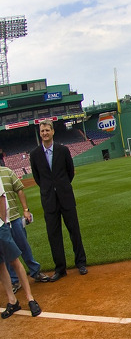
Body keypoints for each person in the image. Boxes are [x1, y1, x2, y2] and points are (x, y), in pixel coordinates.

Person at [29, 119, 87, 281]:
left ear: (53, 131)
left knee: (74, 231)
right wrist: (50, 189)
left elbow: (70, 172)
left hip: (66, 197)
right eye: (42, 131)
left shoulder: (63, 150)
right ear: (40, 133)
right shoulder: (35, 154)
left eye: (47, 130)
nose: (45, 133)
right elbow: (38, 177)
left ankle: (81, 263)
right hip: (49, 201)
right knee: (53, 236)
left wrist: (61, 186)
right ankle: (60, 269)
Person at [0, 165, 49, 291]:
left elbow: (20, 190)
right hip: (0, 223)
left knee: (24, 246)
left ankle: (35, 272)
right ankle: (14, 281)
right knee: (6, 253)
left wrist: (26, 210)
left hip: (14, 218)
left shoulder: (7, 172)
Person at [0, 176, 41, 318]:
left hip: (0, 227)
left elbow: (1, 199)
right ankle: (12, 301)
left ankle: (30, 298)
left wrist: (3, 223)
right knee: (0, 265)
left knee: (14, 261)